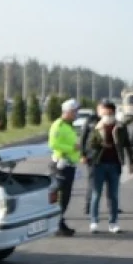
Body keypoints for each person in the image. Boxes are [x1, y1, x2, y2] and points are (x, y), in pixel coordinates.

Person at [85, 101, 133, 233]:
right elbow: (89, 144)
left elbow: (128, 145)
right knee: (96, 194)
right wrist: (101, 144)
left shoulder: (120, 127)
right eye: (104, 113)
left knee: (113, 195)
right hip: (98, 164)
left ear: (114, 113)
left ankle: (113, 223)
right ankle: (94, 221)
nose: (107, 115)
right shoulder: (96, 127)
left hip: (115, 164)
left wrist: (131, 162)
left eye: (109, 113)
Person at [47, 98, 81, 236]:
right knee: (59, 195)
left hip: (70, 165)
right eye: (74, 111)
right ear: (67, 112)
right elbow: (53, 144)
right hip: (61, 165)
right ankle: (56, 224)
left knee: (65, 196)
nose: (76, 114)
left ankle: (59, 222)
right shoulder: (58, 125)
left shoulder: (69, 125)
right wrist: (71, 147)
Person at [78, 102, 104, 216]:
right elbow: (83, 138)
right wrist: (82, 154)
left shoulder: (112, 120)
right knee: (93, 182)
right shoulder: (91, 120)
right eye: (102, 108)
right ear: (98, 109)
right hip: (93, 157)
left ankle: (112, 206)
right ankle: (88, 206)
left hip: (108, 157)